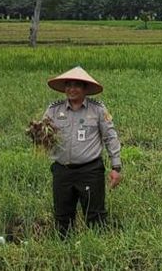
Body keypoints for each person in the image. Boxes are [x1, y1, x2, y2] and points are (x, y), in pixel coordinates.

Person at [42, 67, 122, 236]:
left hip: (90, 171)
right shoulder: (54, 110)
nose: (72, 89)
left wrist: (116, 167)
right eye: (68, 85)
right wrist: (38, 134)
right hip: (62, 170)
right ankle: (65, 250)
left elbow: (110, 137)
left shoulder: (98, 109)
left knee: (95, 215)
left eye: (77, 85)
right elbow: (43, 135)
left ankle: (97, 250)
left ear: (85, 89)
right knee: (62, 216)